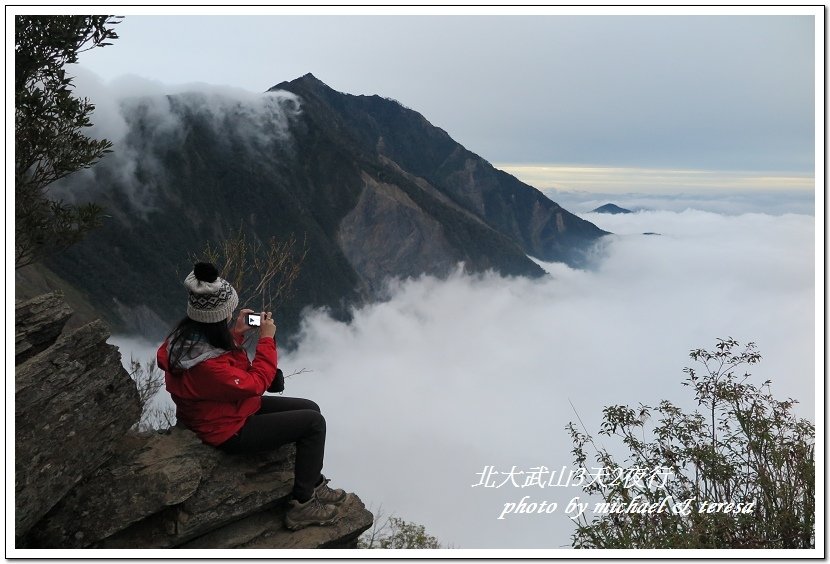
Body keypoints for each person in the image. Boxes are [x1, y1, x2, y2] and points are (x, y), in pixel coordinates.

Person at [156, 262, 346, 531]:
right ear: (216, 316)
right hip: (225, 428)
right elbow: (255, 383)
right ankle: (303, 506)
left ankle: (312, 480)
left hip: (227, 408)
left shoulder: (186, 337)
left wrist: (236, 334)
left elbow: (219, 360)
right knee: (314, 424)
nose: (231, 315)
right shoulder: (206, 367)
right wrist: (266, 340)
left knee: (310, 408)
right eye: (228, 313)